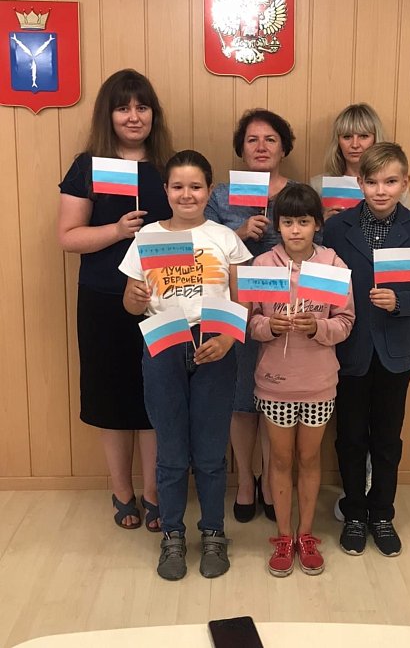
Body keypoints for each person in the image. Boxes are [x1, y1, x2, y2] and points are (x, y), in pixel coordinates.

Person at [120, 150, 252, 581]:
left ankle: (213, 532)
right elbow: (131, 302)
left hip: (214, 342)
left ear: (209, 191)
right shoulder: (148, 237)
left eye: (196, 186)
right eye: (178, 186)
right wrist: (134, 299)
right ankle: (173, 535)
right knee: (172, 450)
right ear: (166, 191)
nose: (187, 194)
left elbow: (243, 300)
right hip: (163, 341)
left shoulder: (225, 238)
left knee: (211, 452)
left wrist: (228, 339)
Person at [58, 69, 173, 531]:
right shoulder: (88, 166)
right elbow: (68, 237)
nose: (133, 116)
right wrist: (117, 230)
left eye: (142, 107)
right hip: (103, 299)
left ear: (153, 114)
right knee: (111, 398)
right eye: (123, 108)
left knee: (155, 398)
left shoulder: (166, 169)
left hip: (161, 300)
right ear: (108, 115)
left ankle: (153, 492)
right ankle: (122, 492)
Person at [323, 142, 410, 557]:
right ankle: (355, 513)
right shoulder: (337, 228)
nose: (380, 190)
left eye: (390, 182)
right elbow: (325, 288)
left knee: (387, 439)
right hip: (350, 349)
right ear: (359, 183)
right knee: (351, 436)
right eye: (372, 182)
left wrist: (400, 302)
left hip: (396, 352)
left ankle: (382, 514)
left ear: (405, 183)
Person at [250, 184, 355, 576]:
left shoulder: (333, 265)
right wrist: (268, 326)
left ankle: (306, 534)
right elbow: (248, 320)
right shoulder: (262, 265)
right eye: (288, 222)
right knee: (280, 459)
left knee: (310, 459)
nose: (296, 230)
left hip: (318, 383)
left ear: (317, 224)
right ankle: (283, 536)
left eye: (304, 222)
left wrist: (318, 328)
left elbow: (346, 321)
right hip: (275, 382)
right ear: (277, 225)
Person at [205, 108, 299, 523]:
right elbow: (201, 247)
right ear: (241, 149)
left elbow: (317, 248)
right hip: (235, 309)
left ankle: (271, 481)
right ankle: (245, 479)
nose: (261, 147)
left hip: (285, 312)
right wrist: (237, 234)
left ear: (284, 148)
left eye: (270, 139)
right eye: (252, 140)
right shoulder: (222, 196)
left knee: (274, 401)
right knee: (241, 400)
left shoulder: (297, 193)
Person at [311, 103, 410, 215]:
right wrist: (323, 222)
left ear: (375, 139)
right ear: (338, 142)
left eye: (363, 136)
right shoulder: (318, 185)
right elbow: (304, 223)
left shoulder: (394, 183)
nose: (355, 144)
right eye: (347, 137)